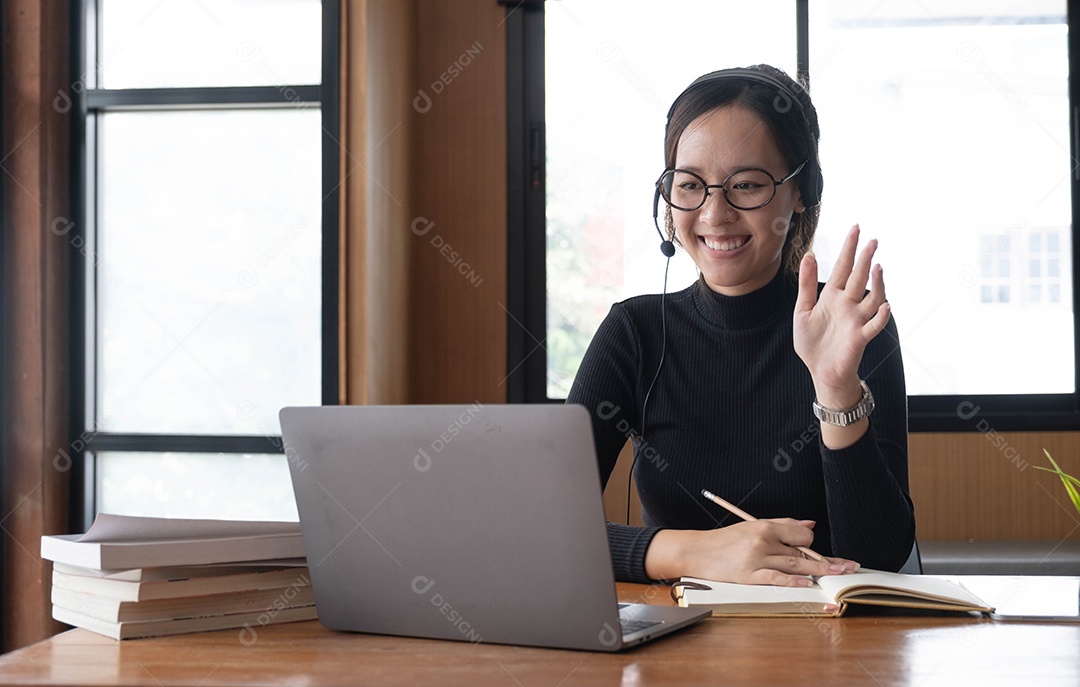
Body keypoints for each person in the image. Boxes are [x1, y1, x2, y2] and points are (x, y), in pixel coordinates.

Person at [566, 65, 915, 587]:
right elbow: (545, 531)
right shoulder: (635, 333)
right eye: (690, 185)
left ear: (801, 191)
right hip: (673, 653)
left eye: (746, 185)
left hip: (825, 655)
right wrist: (692, 553)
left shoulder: (852, 325)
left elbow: (879, 556)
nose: (714, 213)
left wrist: (837, 390)